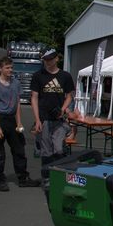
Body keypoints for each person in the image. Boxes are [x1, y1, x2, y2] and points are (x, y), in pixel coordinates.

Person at [0, 57, 40, 191]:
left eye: (11, 67)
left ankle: (23, 178)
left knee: (19, 150)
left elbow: (17, 104)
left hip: (12, 120)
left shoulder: (16, 83)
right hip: (0, 119)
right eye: (7, 68)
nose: (10, 70)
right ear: (0, 69)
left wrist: (19, 123)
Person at [30, 49, 75, 187]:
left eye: (50, 59)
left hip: (59, 120)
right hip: (44, 119)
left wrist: (62, 109)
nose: (47, 62)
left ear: (56, 59)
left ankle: (60, 177)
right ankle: (47, 179)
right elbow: (34, 97)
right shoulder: (38, 75)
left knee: (59, 149)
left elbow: (69, 96)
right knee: (46, 151)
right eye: (45, 59)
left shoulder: (65, 76)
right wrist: (37, 120)